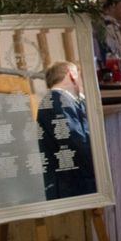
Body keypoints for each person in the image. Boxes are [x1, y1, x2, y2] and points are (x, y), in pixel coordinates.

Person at [37, 62, 96, 200]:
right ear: (72, 75)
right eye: (80, 75)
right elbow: (77, 143)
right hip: (73, 189)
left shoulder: (63, 99)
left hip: (75, 185)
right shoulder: (57, 99)